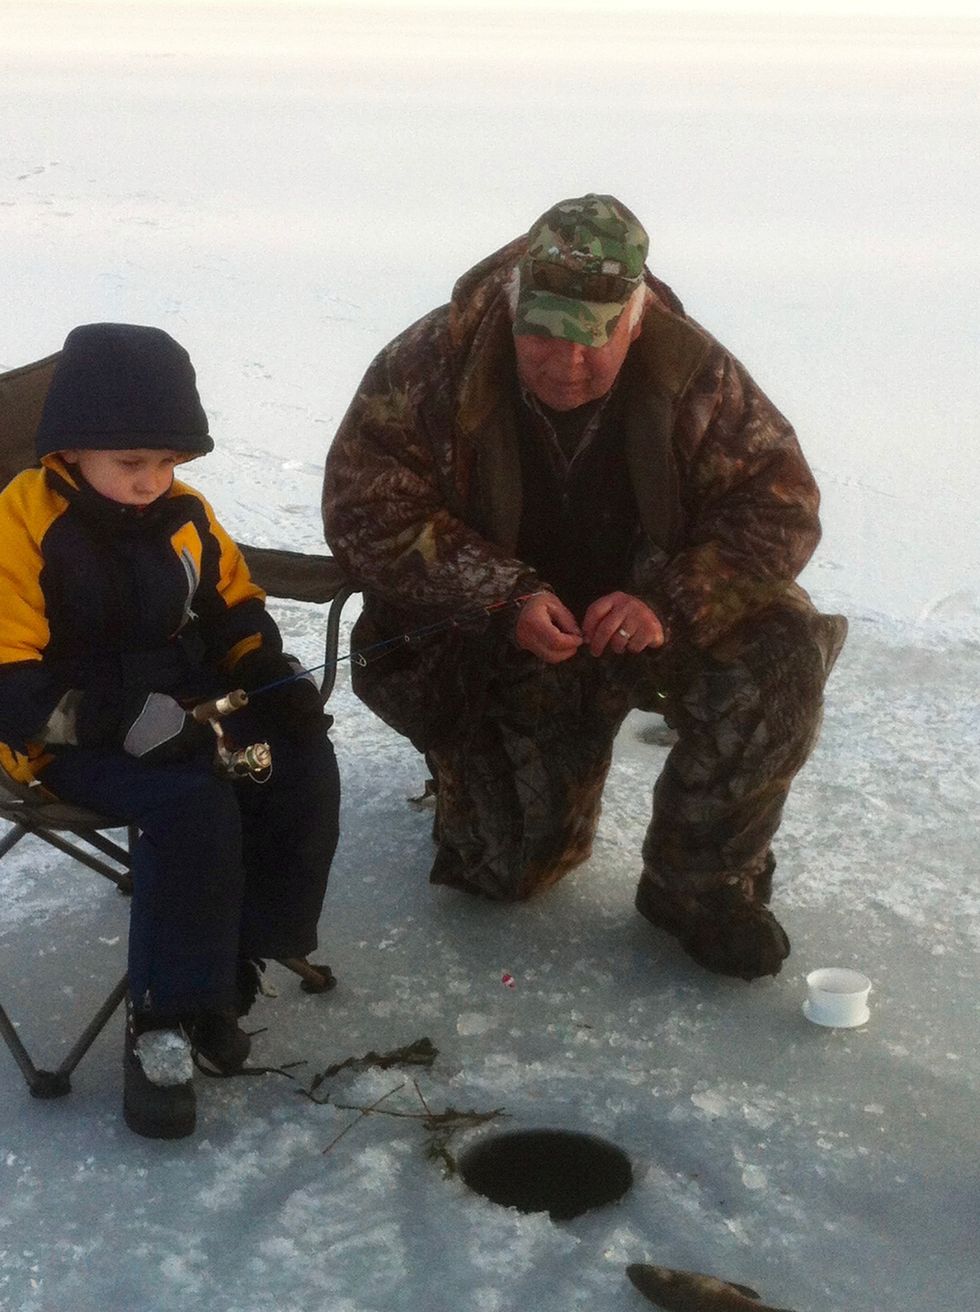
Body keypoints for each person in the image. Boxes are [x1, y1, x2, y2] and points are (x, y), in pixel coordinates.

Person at [323, 194, 846, 984]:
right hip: (499, 644)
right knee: (504, 875)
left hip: (644, 624)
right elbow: (364, 512)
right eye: (545, 335)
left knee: (780, 654)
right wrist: (502, 595)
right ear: (511, 305)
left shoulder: (692, 368)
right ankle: (474, 775)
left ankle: (698, 885)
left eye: (596, 340)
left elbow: (780, 507)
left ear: (635, 321)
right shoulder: (429, 363)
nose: (569, 364)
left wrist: (669, 602)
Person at [0, 323, 340, 1139]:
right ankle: (161, 1023)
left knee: (292, 759)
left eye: (167, 463)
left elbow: (232, 602)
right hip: (64, 735)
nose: (153, 481)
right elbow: (10, 682)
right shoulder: (22, 523)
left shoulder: (185, 514)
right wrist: (125, 721)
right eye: (131, 464)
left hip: (185, 705)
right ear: (72, 450)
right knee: (192, 805)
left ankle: (237, 964)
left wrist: (264, 672)